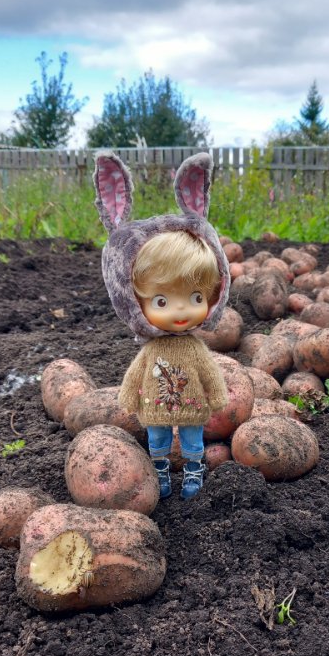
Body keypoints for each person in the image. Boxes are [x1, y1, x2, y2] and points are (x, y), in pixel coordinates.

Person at [93, 151, 230, 499]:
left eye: (196, 297)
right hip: (155, 406)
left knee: (193, 440)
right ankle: (161, 473)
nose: (181, 312)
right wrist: (128, 397)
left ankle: (194, 473)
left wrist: (217, 395)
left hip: (192, 406)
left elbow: (208, 371)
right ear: (133, 300)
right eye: (162, 302)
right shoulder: (151, 349)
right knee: (157, 439)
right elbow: (136, 373)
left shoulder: (194, 348)